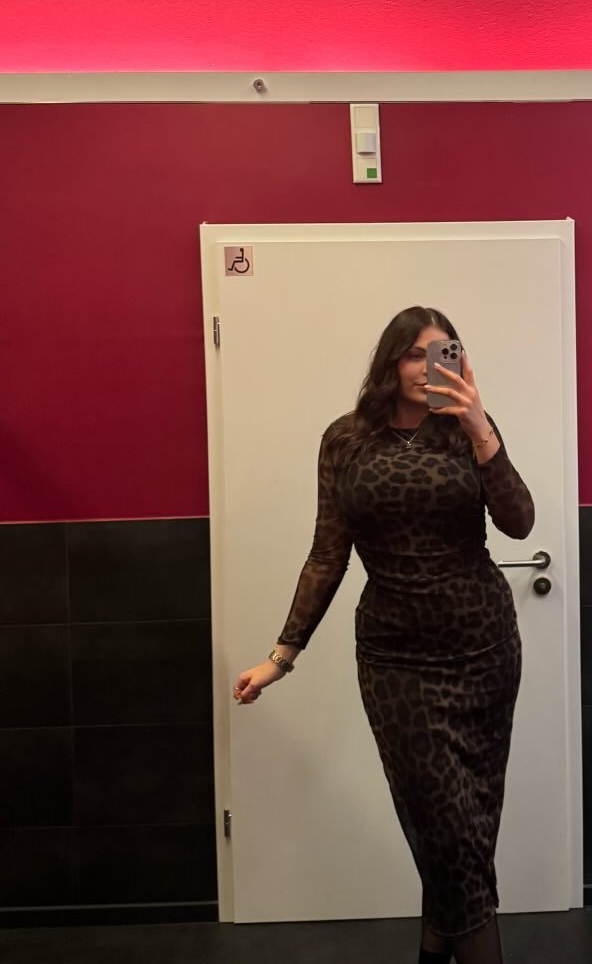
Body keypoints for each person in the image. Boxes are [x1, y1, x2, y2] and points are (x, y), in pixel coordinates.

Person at [233, 305, 535, 964]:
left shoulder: (468, 431)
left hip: (484, 651)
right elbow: (327, 553)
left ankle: (433, 952)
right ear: (391, 362)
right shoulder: (345, 440)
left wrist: (481, 428)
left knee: (466, 831)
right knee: (448, 828)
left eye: (442, 353)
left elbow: (519, 522)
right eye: (414, 354)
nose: (427, 368)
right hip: (396, 661)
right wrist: (282, 655)